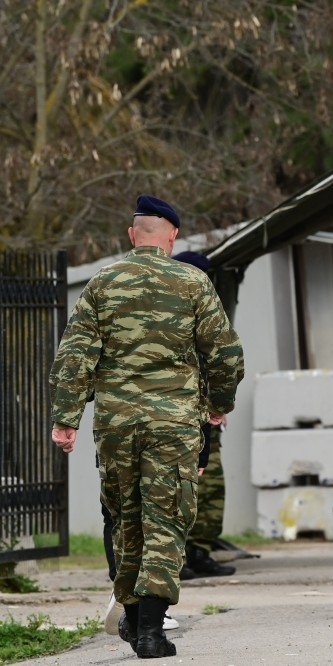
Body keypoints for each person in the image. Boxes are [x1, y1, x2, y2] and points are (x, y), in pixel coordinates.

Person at [49, 195, 244, 658]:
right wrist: (218, 405)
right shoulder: (193, 282)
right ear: (172, 236)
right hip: (173, 424)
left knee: (125, 520)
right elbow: (226, 355)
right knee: (166, 519)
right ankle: (152, 631)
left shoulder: (102, 282)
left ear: (133, 236)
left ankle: (135, 622)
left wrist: (65, 419)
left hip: (116, 424)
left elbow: (74, 357)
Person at [171, 250, 236, 581]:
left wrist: (217, 403)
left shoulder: (204, 307)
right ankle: (176, 557)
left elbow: (221, 358)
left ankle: (199, 550)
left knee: (210, 489)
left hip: (205, 414)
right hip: (178, 415)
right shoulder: (169, 309)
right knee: (178, 489)